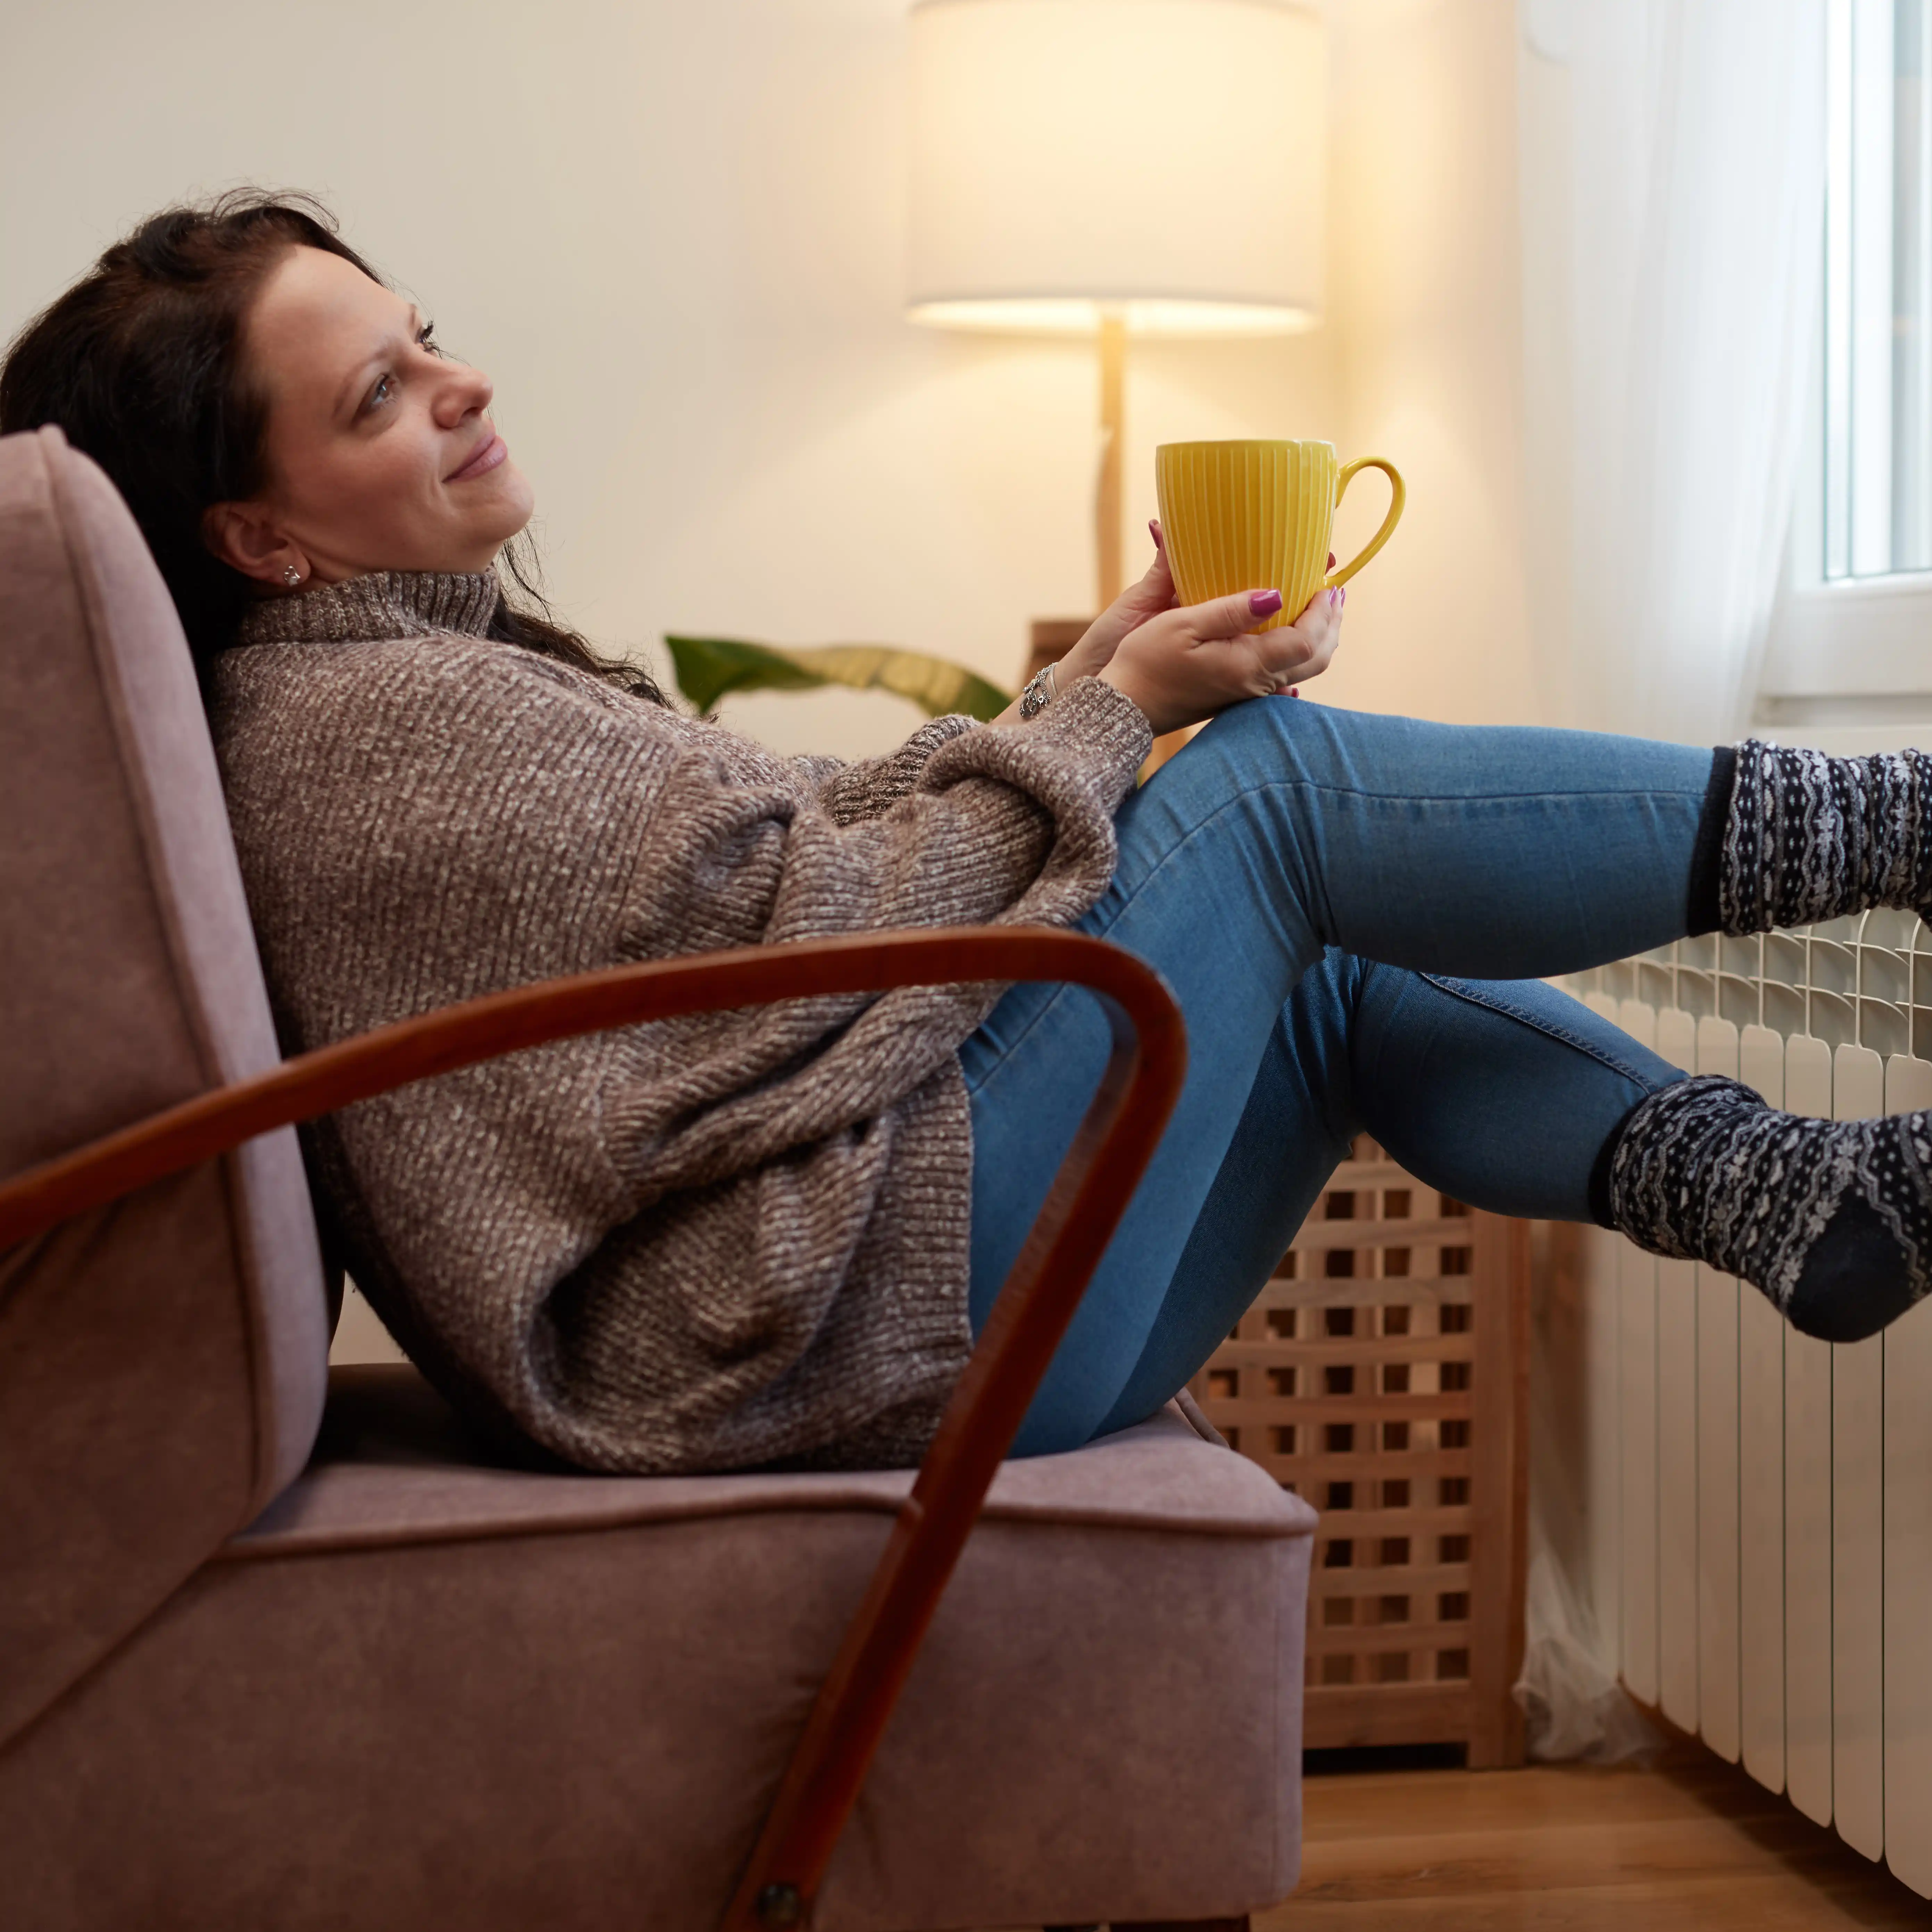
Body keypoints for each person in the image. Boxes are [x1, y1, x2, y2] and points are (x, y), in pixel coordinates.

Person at [4, 191, 1927, 1475]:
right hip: (814, 1333)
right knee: (1276, 798)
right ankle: (1894, 817)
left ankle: (1786, 1198)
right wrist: (1140, 717)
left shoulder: (400, 674)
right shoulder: (379, 728)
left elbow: (785, 865)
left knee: (1318, 972)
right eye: (380, 394)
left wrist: (1099, 664)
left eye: (426, 337)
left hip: (843, 1321)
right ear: (263, 535)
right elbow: (827, 926)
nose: (462, 381)